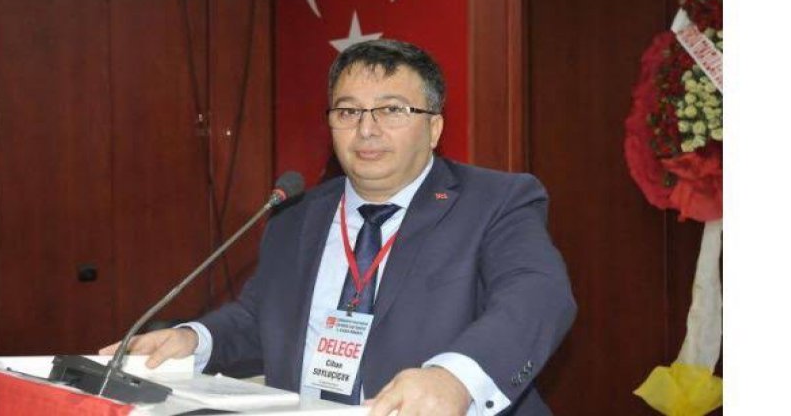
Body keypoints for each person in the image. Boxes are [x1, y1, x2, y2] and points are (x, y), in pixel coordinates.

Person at [101, 39, 576, 415]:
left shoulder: (495, 201)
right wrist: (194, 340)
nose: (366, 129)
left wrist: (455, 378)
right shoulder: (295, 213)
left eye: (392, 110)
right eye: (348, 112)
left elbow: (538, 295)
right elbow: (258, 318)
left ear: (433, 128)